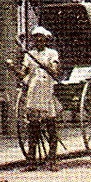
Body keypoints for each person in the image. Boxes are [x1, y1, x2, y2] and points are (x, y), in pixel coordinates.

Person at [19, 26, 61, 171]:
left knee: (51, 127)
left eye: (41, 38)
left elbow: (55, 71)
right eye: (36, 38)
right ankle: (31, 161)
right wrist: (12, 67)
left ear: (45, 39)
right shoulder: (29, 54)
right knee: (33, 129)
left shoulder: (52, 53)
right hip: (33, 92)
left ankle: (53, 160)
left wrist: (44, 65)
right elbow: (22, 74)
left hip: (47, 91)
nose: (38, 41)